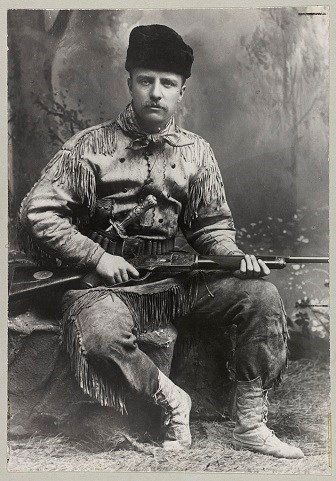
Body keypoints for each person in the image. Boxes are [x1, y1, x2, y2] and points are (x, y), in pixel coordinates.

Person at [19, 24, 304, 458]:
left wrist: (231, 258)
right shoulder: (88, 148)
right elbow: (39, 212)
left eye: (167, 84)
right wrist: (96, 256)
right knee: (98, 333)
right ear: (129, 83)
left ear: (181, 92)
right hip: (107, 285)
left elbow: (210, 227)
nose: (155, 92)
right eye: (145, 81)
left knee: (261, 296)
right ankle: (172, 401)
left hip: (174, 280)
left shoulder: (196, 152)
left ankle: (250, 423)